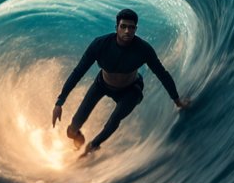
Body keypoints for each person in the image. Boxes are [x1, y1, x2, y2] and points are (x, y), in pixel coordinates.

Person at [52, 9, 190, 155]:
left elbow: (162, 74)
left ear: (136, 29)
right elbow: (78, 71)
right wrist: (60, 102)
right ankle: (78, 139)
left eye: (131, 27)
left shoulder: (143, 49)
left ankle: (92, 146)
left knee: (113, 120)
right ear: (116, 27)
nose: (127, 31)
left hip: (131, 90)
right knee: (72, 129)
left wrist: (177, 100)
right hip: (101, 85)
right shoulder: (100, 45)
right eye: (123, 26)